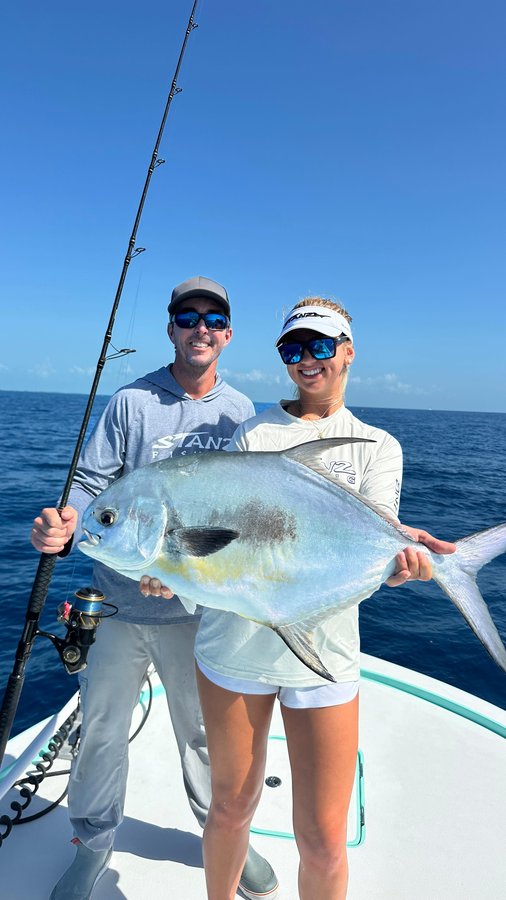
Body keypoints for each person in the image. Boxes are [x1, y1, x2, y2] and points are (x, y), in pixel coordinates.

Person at [142, 296, 456, 900]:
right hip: (233, 649)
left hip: (324, 651)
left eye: (320, 346)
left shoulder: (378, 446)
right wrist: (172, 571)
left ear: (347, 352)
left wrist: (403, 566)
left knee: (322, 839)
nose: (306, 361)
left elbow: (374, 554)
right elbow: (220, 539)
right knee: (229, 809)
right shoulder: (252, 432)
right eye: (293, 349)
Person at [30, 276, 279, 900]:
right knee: (103, 730)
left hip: (201, 611)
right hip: (116, 604)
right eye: (186, 316)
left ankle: (225, 836)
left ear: (227, 333)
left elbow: (248, 512)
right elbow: (91, 485)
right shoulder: (130, 403)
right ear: (171, 328)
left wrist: (184, 571)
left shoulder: (241, 412)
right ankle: (92, 845)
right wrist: (64, 521)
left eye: (213, 318)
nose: (200, 327)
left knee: (205, 737)